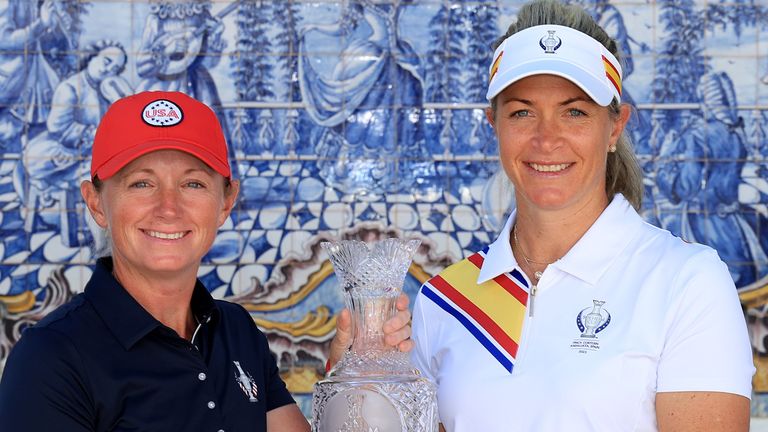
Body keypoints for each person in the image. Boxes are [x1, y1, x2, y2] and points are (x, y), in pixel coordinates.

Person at [410, 1, 754, 431]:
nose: (546, 138)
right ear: (492, 124)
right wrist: (351, 373)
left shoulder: (685, 281)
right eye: (522, 112)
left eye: (575, 111)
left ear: (614, 127)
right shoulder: (443, 301)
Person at [0, 90, 412, 432]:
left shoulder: (235, 330)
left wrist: (348, 374)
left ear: (225, 202)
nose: (168, 208)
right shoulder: (51, 357)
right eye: (141, 183)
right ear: (96, 203)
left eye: (193, 183)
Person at [23, 39, 128, 247]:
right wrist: (95, 134)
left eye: (115, 69)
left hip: (86, 154)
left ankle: (111, 244)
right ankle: (104, 246)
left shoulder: (106, 92)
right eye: (106, 61)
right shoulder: (70, 87)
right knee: (100, 183)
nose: (108, 70)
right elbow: (59, 128)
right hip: (57, 151)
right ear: (93, 56)